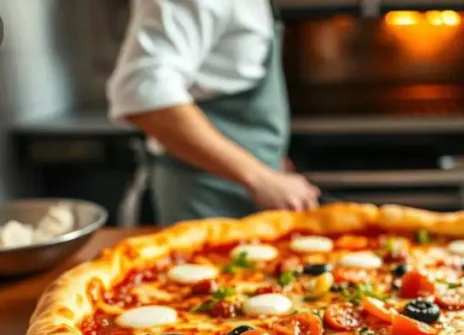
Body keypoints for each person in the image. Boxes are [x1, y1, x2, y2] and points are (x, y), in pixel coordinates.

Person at [107, 0, 321, 224]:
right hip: (201, 204)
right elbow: (144, 92)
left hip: (246, 200)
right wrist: (260, 177)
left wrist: (269, 158)